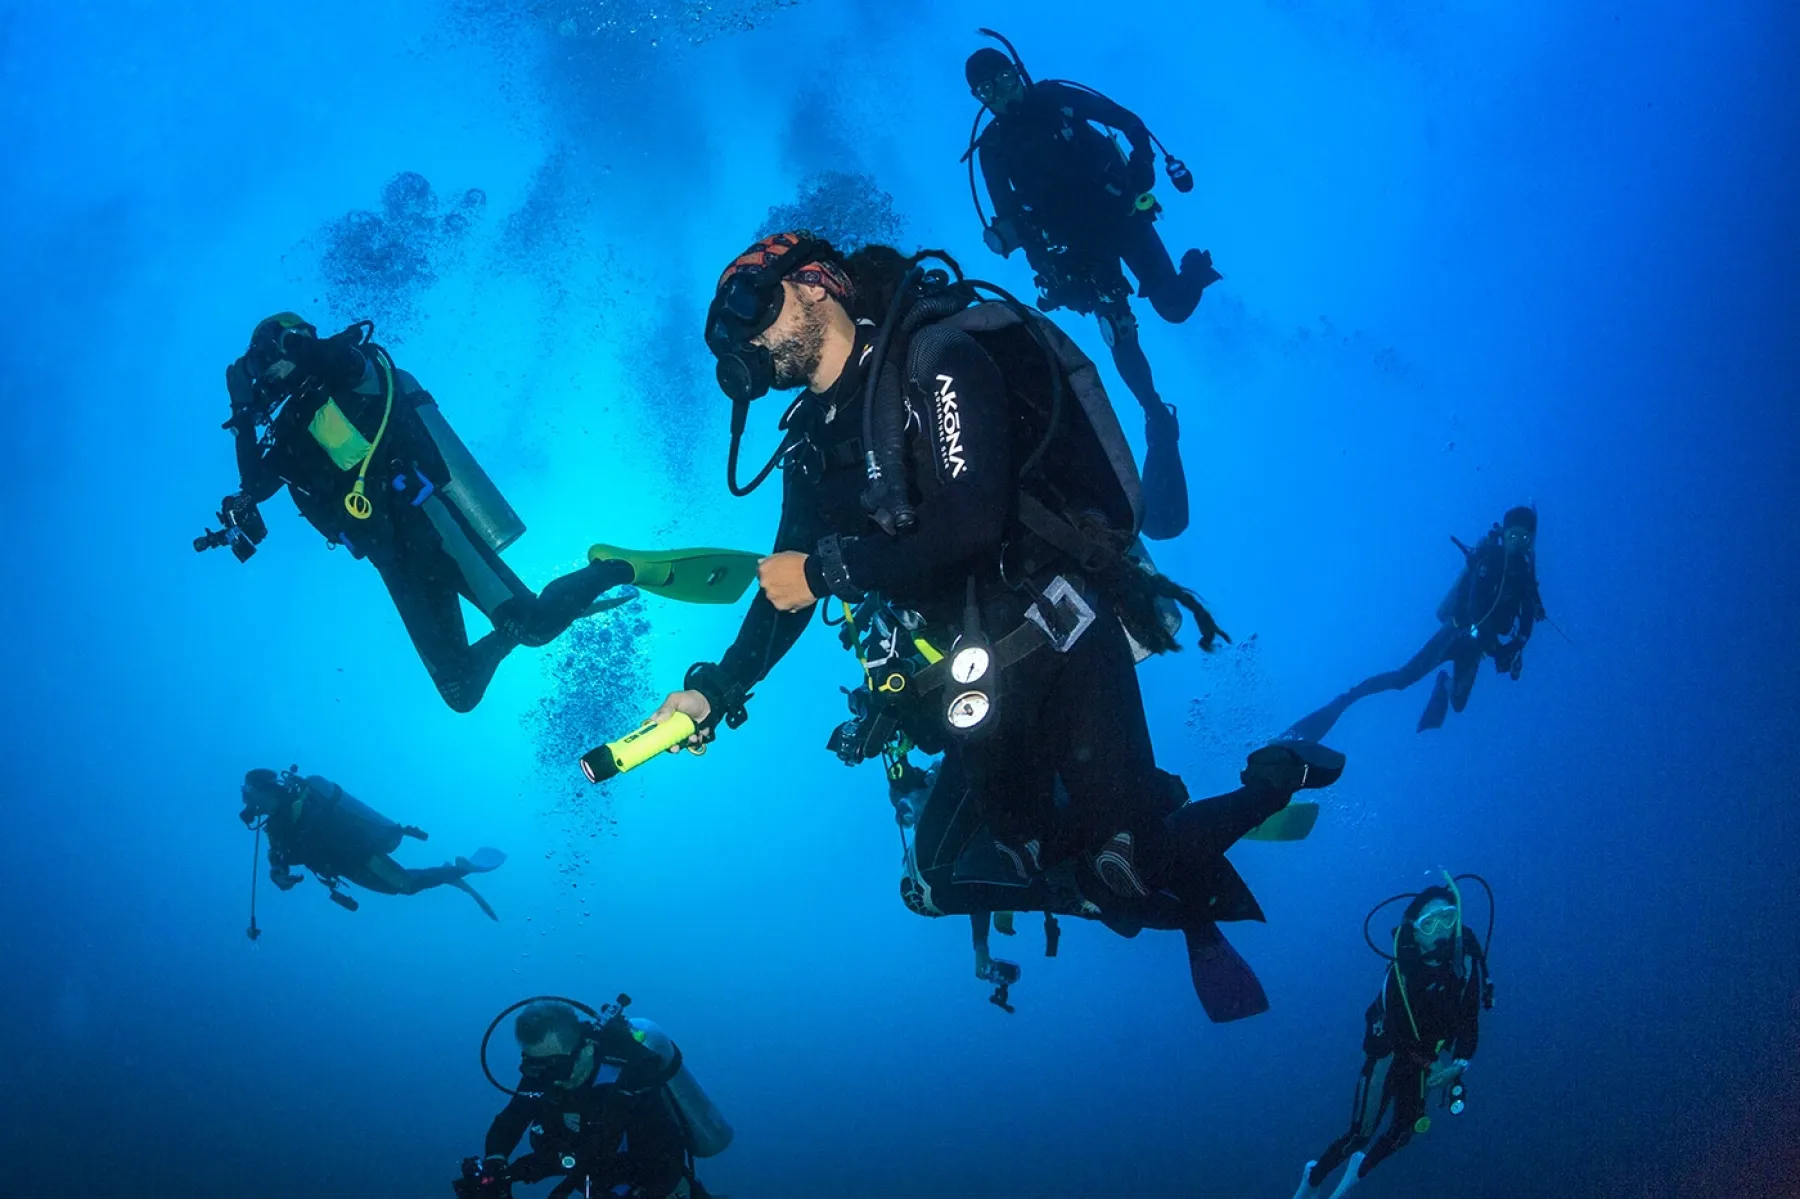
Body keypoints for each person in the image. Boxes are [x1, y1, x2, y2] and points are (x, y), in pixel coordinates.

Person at [649, 230, 1323, 1015]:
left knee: (1128, 864)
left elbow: (970, 520)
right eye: (734, 337)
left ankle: (1276, 778)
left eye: (755, 308)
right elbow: (781, 586)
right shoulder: (806, 447)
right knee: (1047, 866)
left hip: (1059, 633)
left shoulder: (936, 360)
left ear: (816, 285)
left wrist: (829, 571)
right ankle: (1151, 829)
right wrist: (715, 689)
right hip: (973, 684)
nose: (750, 341)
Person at [203, 314, 635, 712]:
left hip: (427, 520)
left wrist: (295, 346)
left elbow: (342, 363)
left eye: (265, 359)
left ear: (292, 343)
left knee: (535, 629)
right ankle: (511, 629)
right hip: (389, 559)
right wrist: (242, 413)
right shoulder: (287, 431)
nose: (264, 373)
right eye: (257, 368)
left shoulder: (350, 367)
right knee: (460, 692)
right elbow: (256, 486)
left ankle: (613, 569)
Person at [963, 33, 1222, 539]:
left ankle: (1194, 270)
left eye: (1003, 82)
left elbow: (1129, 121)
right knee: (1117, 330)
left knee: (1172, 307)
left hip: (1122, 212)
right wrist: (1047, 270)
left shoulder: (1057, 98)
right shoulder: (992, 150)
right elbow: (1011, 218)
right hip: (1080, 251)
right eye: (987, 92)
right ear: (980, 101)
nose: (1000, 95)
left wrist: (1144, 163)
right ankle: (1155, 414)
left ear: (1019, 72)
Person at [895, 741, 1343, 1020]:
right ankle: (1201, 914)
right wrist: (981, 950)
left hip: (1098, 859)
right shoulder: (959, 837)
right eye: (908, 812)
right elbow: (981, 889)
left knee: (1146, 867)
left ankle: (1274, 784)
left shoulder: (969, 796)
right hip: (1094, 882)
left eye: (910, 805)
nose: (913, 815)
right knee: (1157, 884)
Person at [1295, 878, 1494, 1198]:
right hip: (1388, 1054)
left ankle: (1351, 1180)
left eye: (1448, 917)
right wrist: (1434, 1064)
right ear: (1414, 931)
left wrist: (1460, 1063)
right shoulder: (1401, 974)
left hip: (1427, 1060)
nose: (1440, 929)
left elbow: (1471, 1018)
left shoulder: (1467, 963)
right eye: (1429, 923)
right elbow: (1397, 1031)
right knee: (1360, 1134)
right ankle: (1313, 1180)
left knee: (1403, 1134)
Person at [1284, 506, 1548, 739]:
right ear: (1503, 534)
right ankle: (1348, 698)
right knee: (1403, 679)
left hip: (1477, 648)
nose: (1517, 543)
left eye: (1524, 538)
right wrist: (1497, 649)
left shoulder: (1524, 575)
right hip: (1455, 634)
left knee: (1458, 703)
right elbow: (1476, 607)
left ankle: (1444, 684)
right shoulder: (1489, 559)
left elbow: (1527, 619)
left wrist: (1514, 646)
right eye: (1513, 536)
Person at [459, 998, 732, 1199]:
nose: (548, 1078)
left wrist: (524, 1171)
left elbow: (604, 1150)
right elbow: (512, 1118)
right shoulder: (547, 1071)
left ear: (586, 1050)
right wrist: (496, 1165)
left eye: (555, 1067)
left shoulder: (630, 1077)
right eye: (533, 1067)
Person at [238, 767, 505, 925]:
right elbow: (278, 858)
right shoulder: (275, 828)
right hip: (344, 869)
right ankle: (449, 873)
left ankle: (457, 871)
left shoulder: (302, 801)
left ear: (265, 791)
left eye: (249, 795)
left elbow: (319, 830)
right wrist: (279, 874)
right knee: (397, 889)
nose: (248, 803)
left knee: (406, 886)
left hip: (359, 854)